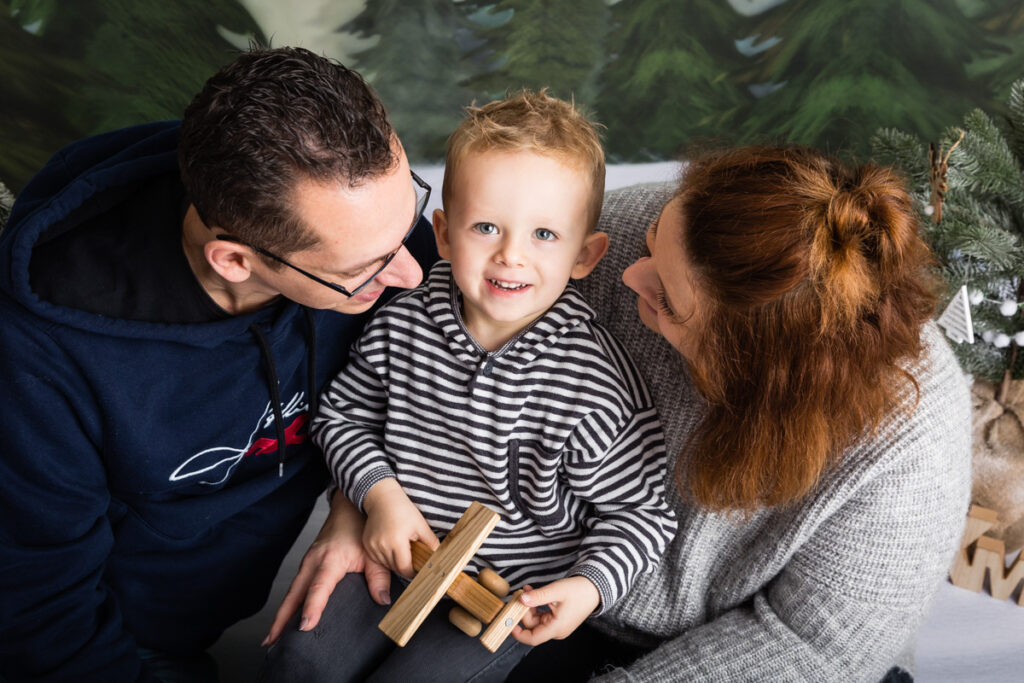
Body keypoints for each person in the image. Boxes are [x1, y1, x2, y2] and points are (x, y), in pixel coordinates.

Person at [0, 46, 437, 682]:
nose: (413, 272)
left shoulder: (365, 234)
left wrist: (352, 506)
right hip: (120, 639)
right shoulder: (40, 362)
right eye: (362, 270)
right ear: (234, 261)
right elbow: (40, 612)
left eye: (410, 217)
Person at [504, 145, 972, 681]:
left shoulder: (912, 448)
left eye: (670, 304)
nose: (631, 275)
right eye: (654, 236)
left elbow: (811, 646)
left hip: (765, 652)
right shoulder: (638, 234)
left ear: (750, 371)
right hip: (563, 591)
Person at [258, 91, 678, 682]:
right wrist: (380, 497)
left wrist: (587, 588)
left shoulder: (592, 384)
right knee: (304, 658)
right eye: (486, 227)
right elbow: (342, 418)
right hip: (396, 546)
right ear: (446, 235)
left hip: (506, 596)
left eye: (544, 236)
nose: (511, 256)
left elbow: (640, 514)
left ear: (585, 255)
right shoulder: (405, 321)